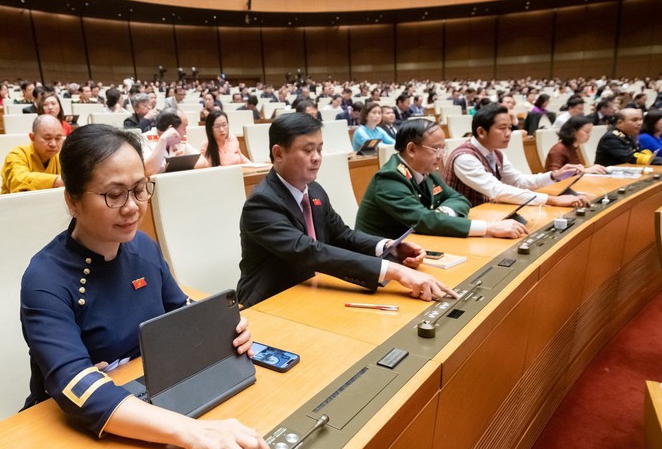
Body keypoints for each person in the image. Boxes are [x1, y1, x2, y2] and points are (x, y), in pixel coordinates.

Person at [20, 124, 273, 449]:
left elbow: (179, 314)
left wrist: (222, 329)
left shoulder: (142, 247)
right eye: (114, 194)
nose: (132, 208)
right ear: (72, 199)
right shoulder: (45, 278)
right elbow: (76, 388)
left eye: (140, 190)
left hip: (155, 395)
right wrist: (191, 432)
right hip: (80, 431)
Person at [237, 113, 457, 307]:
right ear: (278, 154)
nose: (317, 157)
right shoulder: (262, 203)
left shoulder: (314, 190)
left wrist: (390, 247)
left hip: (316, 289)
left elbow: (342, 235)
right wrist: (394, 270)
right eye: (308, 150)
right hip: (272, 299)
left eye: (320, 149)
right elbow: (310, 252)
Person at [356, 119, 528, 239]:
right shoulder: (390, 179)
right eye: (436, 149)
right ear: (411, 150)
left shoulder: (427, 171)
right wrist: (489, 227)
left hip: (416, 246)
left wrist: (443, 212)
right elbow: (424, 221)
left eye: (442, 149)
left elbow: (459, 198)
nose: (440, 156)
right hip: (380, 257)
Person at [444, 104, 589, 208]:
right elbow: (498, 191)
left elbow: (519, 181)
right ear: (481, 132)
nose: (508, 133)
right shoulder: (464, 158)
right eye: (502, 128)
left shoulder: (496, 153)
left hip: (491, 213)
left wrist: (554, 175)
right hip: (468, 219)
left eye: (509, 128)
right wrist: (552, 200)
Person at [0, 115, 65, 194]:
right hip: (16, 204)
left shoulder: (61, 157)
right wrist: (56, 181)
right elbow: (18, 180)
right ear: (32, 137)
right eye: (47, 138)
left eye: (58, 138)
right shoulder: (17, 154)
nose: (53, 144)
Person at [143, 110, 207, 176]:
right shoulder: (144, 139)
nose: (185, 133)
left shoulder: (179, 141)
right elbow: (149, 171)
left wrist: (181, 163)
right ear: (171, 129)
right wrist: (163, 139)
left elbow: (204, 162)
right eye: (184, 129)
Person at [595, 108, 662, 166]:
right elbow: (631, 158)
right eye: (634, 120)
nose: (639, 123)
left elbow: (639, 153)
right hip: (606, 177)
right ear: (620, 123)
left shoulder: (629, 135)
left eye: (640, 119)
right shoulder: (611, 138)